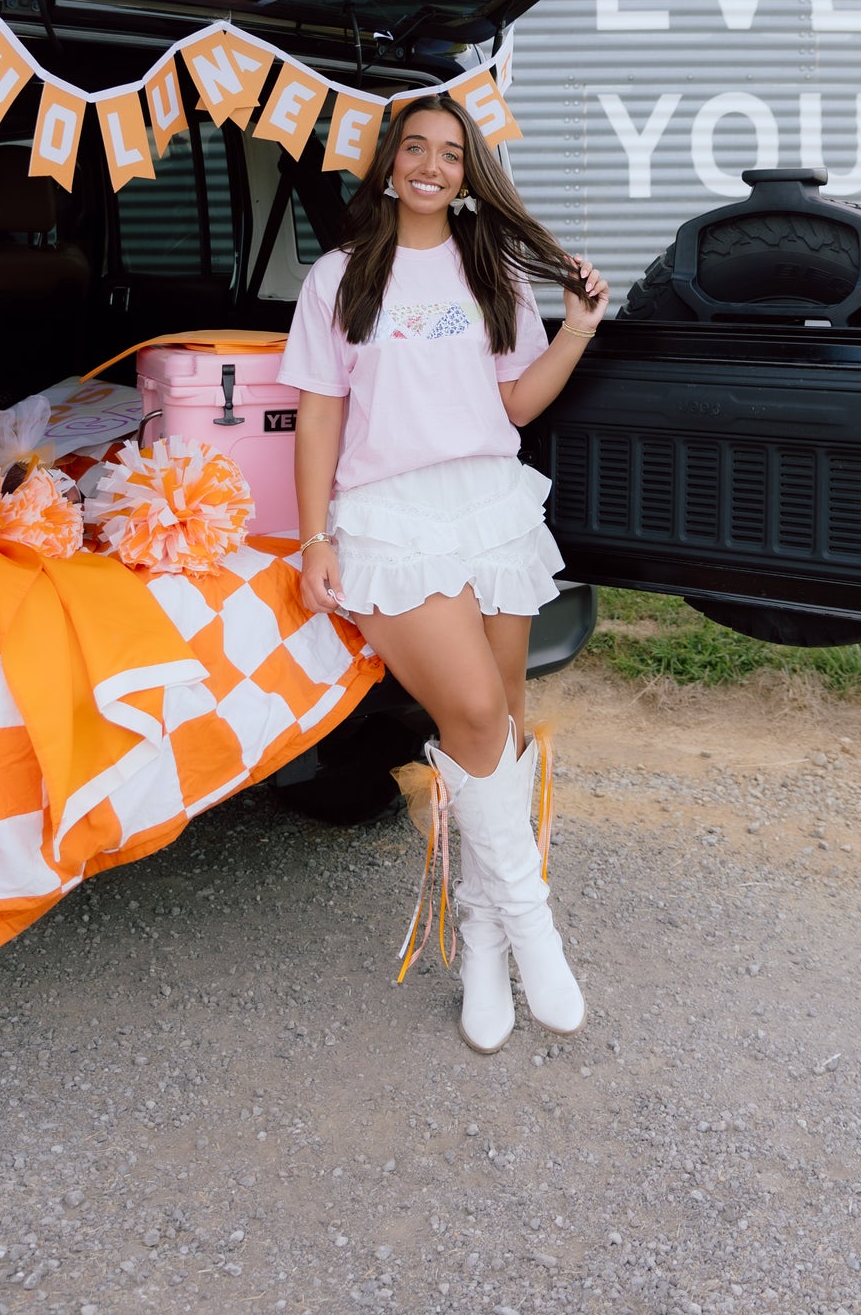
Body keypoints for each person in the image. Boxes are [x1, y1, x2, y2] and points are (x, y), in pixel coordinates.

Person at [278, 96, 608, 1055]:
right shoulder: (338, 277)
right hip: (390, 517)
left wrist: (578, 328)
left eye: (451, 154)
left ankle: (481, 942)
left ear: (469, 174)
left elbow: (514, 400)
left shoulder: (491, 270)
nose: (430, 166)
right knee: (468, 715)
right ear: (387, 163)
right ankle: (534, 922)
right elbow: (319, 415)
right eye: (414, 149)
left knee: (496, 733)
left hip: (489, 503)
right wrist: (314, 541)